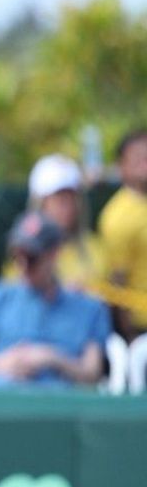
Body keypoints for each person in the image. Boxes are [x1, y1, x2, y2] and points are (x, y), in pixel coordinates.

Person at [0, 211, 110, 391]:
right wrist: (4, 363)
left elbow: (92, 373)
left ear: (54, 254)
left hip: (61, 408)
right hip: (2, 404)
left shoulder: (89, 308)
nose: (22, 265)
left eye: (31, 258)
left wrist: (53, 358)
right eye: (15, 255)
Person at [2, 154, 104, 292]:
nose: (69, 207)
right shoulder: (24, 255)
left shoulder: (95, 248)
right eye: (60, 200)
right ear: (41, 204)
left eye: (72, 199)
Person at [98, 129, 147, 339]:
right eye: (138, 157)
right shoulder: (116, 216)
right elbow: (117, 282)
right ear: (122, 165)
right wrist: (131, 339)